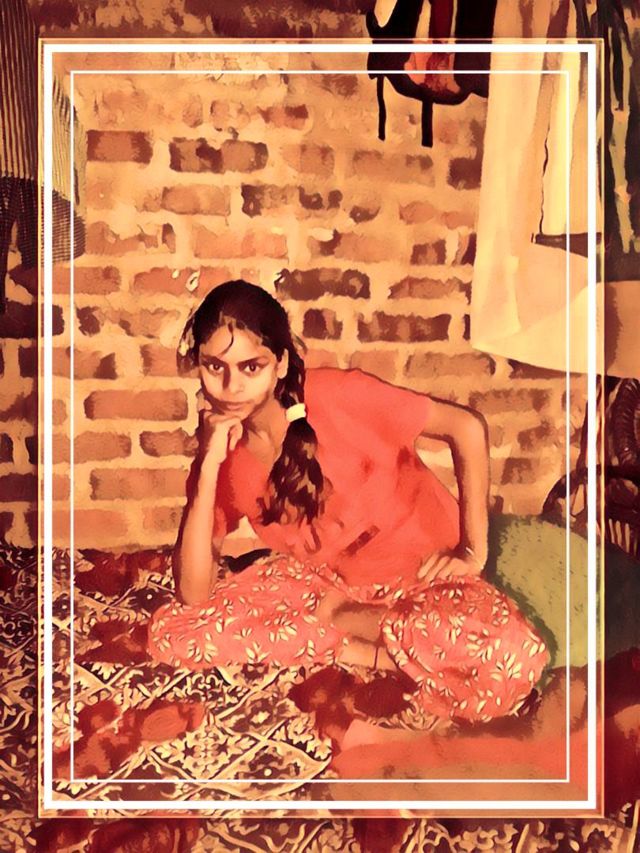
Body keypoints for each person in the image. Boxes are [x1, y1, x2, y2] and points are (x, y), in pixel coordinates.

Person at [146, 280, 549, 725]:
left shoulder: (338, 395)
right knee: (174, 634)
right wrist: (207, 461)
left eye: (250, 367)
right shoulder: (229, 457)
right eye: (214, 367)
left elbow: (466, 426)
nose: (230, 386)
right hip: (327, 588)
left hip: (429, 584)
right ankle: (372, 644)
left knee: (510, 656)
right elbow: (192, 594)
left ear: (280, 364)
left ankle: (355, 636)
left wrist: (473, 549)